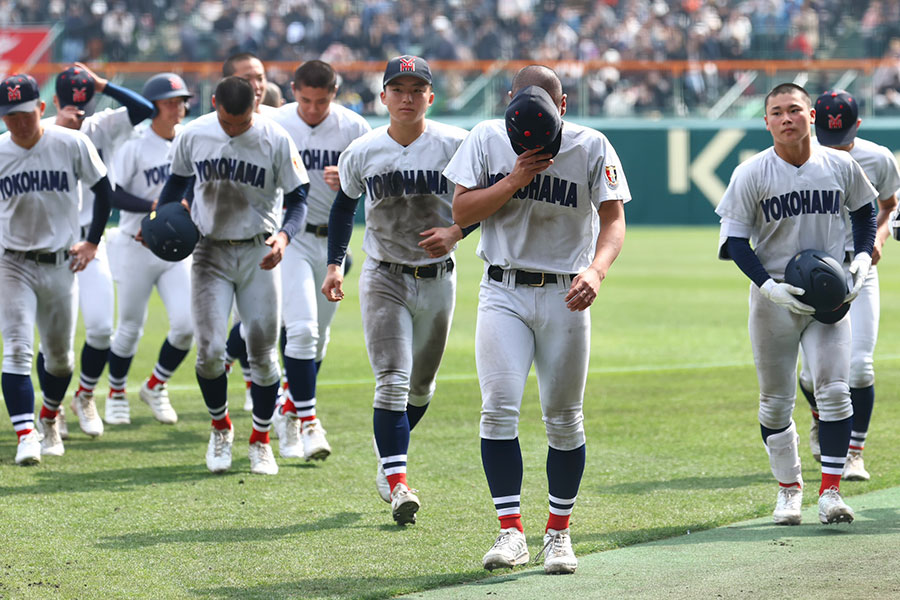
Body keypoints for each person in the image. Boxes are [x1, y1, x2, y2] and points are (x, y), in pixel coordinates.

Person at [444, 65, 629, 575]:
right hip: (502, 287)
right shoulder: (485, 137)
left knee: (564, 417)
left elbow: (613, 220)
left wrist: (597, 268)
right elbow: (461, 212)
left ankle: (559, 533)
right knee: (497, 410)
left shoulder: (591, 145)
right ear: (508, 103)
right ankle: (510, 533)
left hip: (565, 291)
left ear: (563, 107)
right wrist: (516, 178)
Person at [715, 83, 877, 527]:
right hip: (775, 300)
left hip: (830, 299)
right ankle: (789, 491)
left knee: (835, 392)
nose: (786, 118)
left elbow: (866, 211)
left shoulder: (840, 164)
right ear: (766, 121)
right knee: (774, 403)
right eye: (776, 112)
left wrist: (862, 256)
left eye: (794, 110)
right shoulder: (752, 172)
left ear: (811, 116)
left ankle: (830, 493)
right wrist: (769, 287)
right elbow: (735, 241)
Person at [321, 55, 469, 525]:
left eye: (416, 90)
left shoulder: (456, 144)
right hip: (383, 274)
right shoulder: (363, 150)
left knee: (421, 389)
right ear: (383, 97)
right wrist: (334, 264)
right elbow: (343, 209)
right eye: (397, 90)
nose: (407, 98)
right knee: (393, 380)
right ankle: (398, 478)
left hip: (438, 276)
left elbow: (486, 200)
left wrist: (459, 231)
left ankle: (388, 450)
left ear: (430, 96)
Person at [153, 76, 310, 475]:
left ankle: (260, 439)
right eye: (228, 120)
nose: (235, 128)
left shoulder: (275, 137)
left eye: (242, 122)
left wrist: (285, 237)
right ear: (215, 104)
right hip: (209, 250)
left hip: (260, 251)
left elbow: (298, 198)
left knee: (262, 351)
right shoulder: (194, 134)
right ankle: (221, 427)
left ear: (253, 109)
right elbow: (175, 185)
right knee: (209, 353)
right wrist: (162, 221)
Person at [0, 73, 112, 463]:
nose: (19, 121)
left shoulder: (70, 142)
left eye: (26, 113)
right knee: (16, 348)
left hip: (61, 263)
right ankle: (26, 434)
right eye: (10, 115)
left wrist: (93, 240)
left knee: (60, 358)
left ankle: (48, 415)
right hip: (12, 263)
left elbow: (103, 188)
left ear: (41, 108)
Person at [272, 60, 371, 461]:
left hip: (335, 244)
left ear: (335, 92)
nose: (313, 109)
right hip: (292, 236)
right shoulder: (276, 123)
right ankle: (309, 421)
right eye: (306, 99)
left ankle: (288, 408)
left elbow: (375, 182)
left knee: (318, 338)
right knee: (302, 329)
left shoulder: (354, 127)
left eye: (322, 100)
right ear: (294, 89)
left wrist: (349, 182)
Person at [798, 90, 900, 480]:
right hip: (812, 274)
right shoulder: (798, 158)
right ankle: (820, 416)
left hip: (858, 271)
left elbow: (890, 205)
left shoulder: (877, 157)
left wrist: (878, 238)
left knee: (859, 367)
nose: (832, 141)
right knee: (810, 378)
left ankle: (855, 451)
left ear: (857, 125)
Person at [49, 63, 154, 439]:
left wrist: (103, 84)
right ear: (56, 102)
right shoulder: (43, 131)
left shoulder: (100, 126)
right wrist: (59, 123)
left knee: (100, 329)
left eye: (84, 102)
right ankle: (53, 406)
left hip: (91, 240)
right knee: (53, 338)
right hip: (51, 243)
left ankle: (86, 395)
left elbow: (145, 109)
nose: (79, 110)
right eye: (73, 103)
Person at [104, 73, 196, 426]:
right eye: (170, 101)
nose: (178, 107)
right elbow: (111, 192)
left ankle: (156, 385)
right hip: (135, 245)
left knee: (187, 326)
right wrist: (155, 206)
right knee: (129, 328)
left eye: (181, 100)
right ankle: (115, 393)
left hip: (176, 250)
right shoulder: (134, 143)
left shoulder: (188, 140)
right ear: (153, 105)